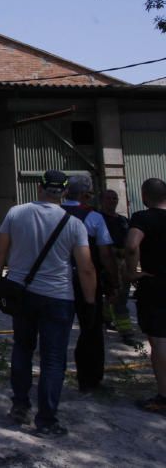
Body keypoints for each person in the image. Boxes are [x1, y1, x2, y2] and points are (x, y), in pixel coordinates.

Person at [0, 170, 97, 436]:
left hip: (21, 294)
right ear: (64, 191)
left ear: (39, 187)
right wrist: (91, 301)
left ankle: (19, 405)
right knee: (52, 360)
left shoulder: (16, 212)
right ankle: (47, 420)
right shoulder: (74, 224)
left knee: (22, 348)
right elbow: (86, 269)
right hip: (58, 297)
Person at [62, 175, 118, 391]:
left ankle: (53, 376)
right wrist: (114, 281)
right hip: (87, 279)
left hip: (57, 280)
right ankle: (90, 380)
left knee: (56, 329)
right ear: (87, 194)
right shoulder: (93, 218)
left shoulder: (55, 214)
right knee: (91, 330)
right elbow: (105, 254)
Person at [125, 178, 166, 415]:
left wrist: (132, 272)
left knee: (160, 340)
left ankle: (163, 396)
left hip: (156, 285)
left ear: (144, 196)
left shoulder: (143, 218)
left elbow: (131, 245)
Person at [97, 188, 138, 346]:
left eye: (114, 198)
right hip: (104, 263)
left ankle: (116, 324)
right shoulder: (97, 218)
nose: (112, 201)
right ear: (102, 200)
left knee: (120, 296)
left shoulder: (123, 220)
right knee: (112, 295)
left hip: (122, 263)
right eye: (109, 198)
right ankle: (120, 327)